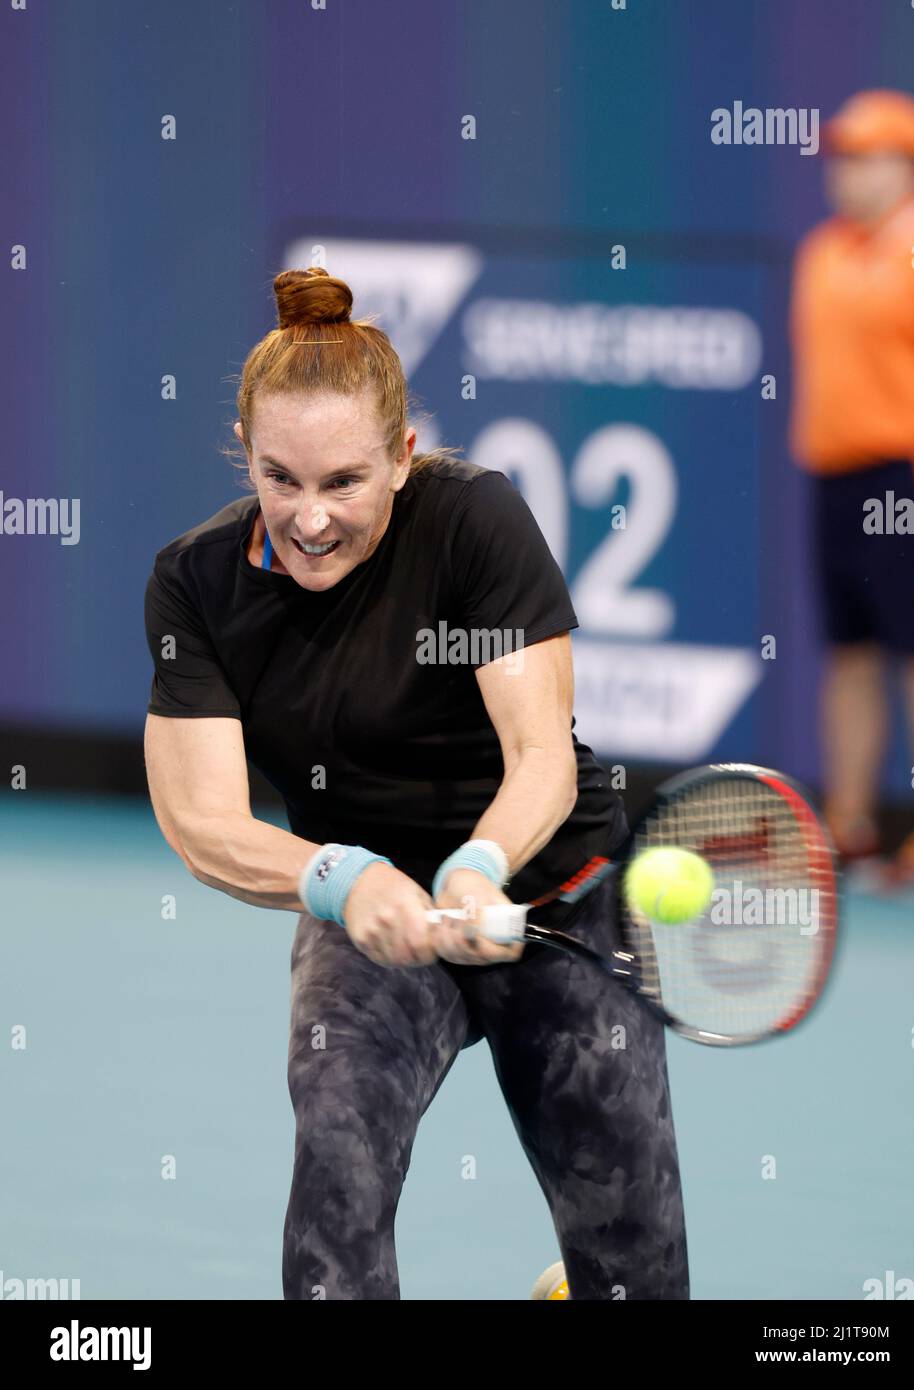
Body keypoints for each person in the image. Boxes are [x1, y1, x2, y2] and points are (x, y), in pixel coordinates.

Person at [142, 265, 689, 1301]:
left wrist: (482, 868)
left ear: (402, 456)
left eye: (343, 481)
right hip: (368, 911)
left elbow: (540, 755)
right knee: (338, 1168)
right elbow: (201, 818)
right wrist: (343, 881)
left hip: (553, 899)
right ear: (245, 457)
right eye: (280, 477)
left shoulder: (475, 521)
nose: (308, 518)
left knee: (634, 1274)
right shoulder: (196, 581)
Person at [789, 90, 914, 876]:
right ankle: (846, 820)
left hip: (912, 477)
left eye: (863, 155)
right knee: (848, 651)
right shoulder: (822, 250)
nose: (844, 172)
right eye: (838, 156)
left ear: (912, 166)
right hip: (833, 475)